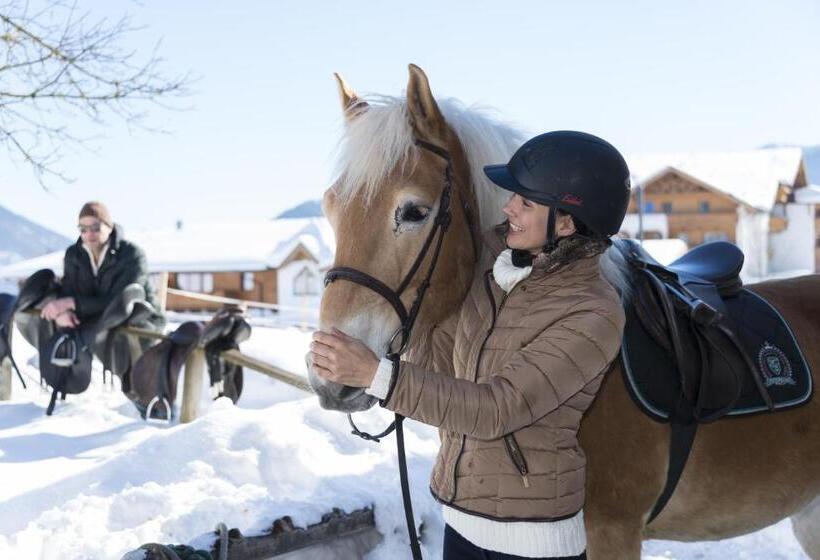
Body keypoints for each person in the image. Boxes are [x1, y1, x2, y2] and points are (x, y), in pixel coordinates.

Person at [310, 131, 630, 559]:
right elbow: (442, 370)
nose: (507, 207)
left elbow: (496, 409)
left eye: (525, 202)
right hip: (462, 523)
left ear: (567, 223)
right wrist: (372, 340)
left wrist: (375, 374)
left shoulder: (594, 313)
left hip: (531, 542)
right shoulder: (494, 273)